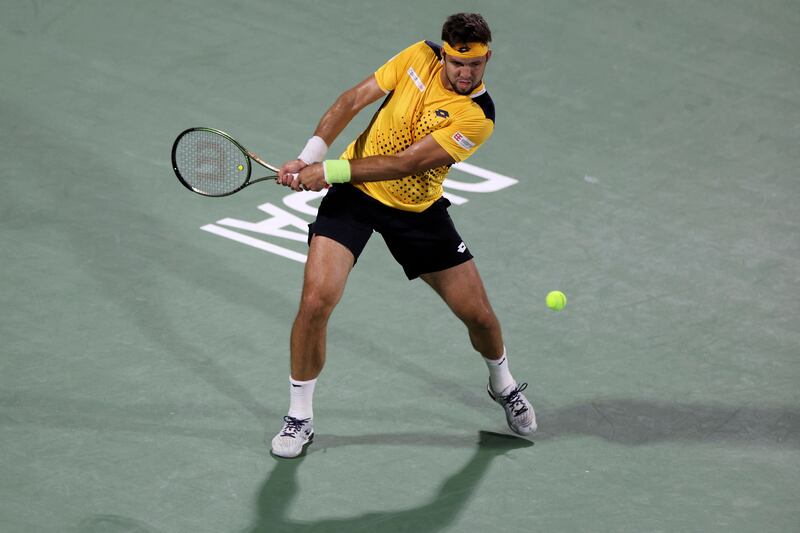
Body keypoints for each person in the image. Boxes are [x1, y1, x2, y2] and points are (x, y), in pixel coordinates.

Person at [271, 13, 535, 458]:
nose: (465, 73)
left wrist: (329, 171)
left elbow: (407, 163)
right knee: (316, 301)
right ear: (445, 54)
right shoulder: (418, 55)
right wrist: (309, 156)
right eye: (456, 63)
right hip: (355, 196)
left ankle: (502, 383)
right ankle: (300, 417)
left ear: (487, 58)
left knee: (481, 318)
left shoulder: (478, 117)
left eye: (475, 64)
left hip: (417, 212)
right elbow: (354, 99)